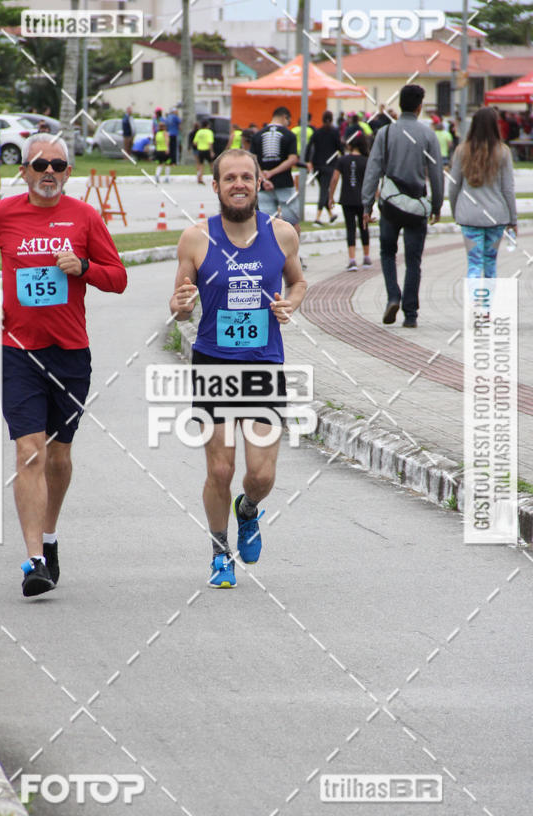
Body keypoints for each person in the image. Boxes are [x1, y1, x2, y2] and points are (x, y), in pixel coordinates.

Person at [0, 133, 127, 597]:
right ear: (25, 171)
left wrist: (83, 267)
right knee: (29, 452)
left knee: (58, 455)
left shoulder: (85, 217)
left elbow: (117, 278)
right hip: (19, 351)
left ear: (69, 173)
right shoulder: (3, 214)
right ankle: (34, 560)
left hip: (71, 353)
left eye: (59, 165)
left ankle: (50, 536)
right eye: (41, 164)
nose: (49, 172)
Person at [169, 148, 307, 588]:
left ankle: (247, 510)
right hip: (213, 363)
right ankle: (219, 552)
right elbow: (181, 308)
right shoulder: (195, 239)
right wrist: (180, 306)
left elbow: (298, 280)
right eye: (229, 178)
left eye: (246, 177)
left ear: (259, 182)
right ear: (216, 187)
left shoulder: (282, 234)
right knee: (220, 471)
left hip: (264, 364)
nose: (239, 184)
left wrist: (291, 304)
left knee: (261, 475)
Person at [361, 84, 444, 328]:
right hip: (417, 206)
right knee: (413, 260)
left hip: (390, 206)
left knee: (387, 253)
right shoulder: (428, 135)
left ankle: (393, 296)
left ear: (400, 105)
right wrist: (436, 206)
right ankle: (410, 314)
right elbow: (437, 174)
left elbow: (373, 170)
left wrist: (367, 205)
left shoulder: (385, 133)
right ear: (419, 107)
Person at [448, 107, 517, 279]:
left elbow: (453, 186)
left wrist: (456, 211)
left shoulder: (462, 151)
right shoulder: (503, 152)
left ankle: (474, 304)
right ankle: (488, 305)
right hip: (496, 216)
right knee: (490, 264)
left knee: (474, 263)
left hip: (469, 216)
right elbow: (508, 189)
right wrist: (513, 220)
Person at [250, 106, 300, 236]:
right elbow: (293, 159)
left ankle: (270, 254)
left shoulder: (257, 136)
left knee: (267, 223)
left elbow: (252, 160)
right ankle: (294, 254)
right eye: (288, 121)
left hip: (263, 185)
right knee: (292, 222)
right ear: (285, 117)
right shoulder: (289, 135)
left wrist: (265, 178)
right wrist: (273, 173)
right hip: (285, 183)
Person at [329, 132, 371, 270]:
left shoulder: (342, 160)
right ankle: (366, 257)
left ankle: (352, 260)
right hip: (363, 199)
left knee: (350, 228)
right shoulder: (366, 160)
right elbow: (371, 180)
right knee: (364, 226)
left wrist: (330, 197)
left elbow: (334, 179)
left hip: (346, 199)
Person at [306, 110, 341, 226]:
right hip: (329, 166)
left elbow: (309, 146)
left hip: (317, 165)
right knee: (324, 191)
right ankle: (317, 218)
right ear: (331, 120)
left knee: (324, 189)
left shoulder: (317, 132)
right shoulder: (335, 132)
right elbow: (339, 147)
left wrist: (308, 161)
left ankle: (331, 215)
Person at [193, 119, 214, 185]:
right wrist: (211, 152)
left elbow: (195, 143)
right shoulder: (209, 132)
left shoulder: (199, 132)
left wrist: (200, 144)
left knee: (201, 165)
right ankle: (216, 178)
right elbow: (210, 142)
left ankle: (200, 178)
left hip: (200, 150)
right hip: (207, 150)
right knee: (211, 165)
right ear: (207, 125)